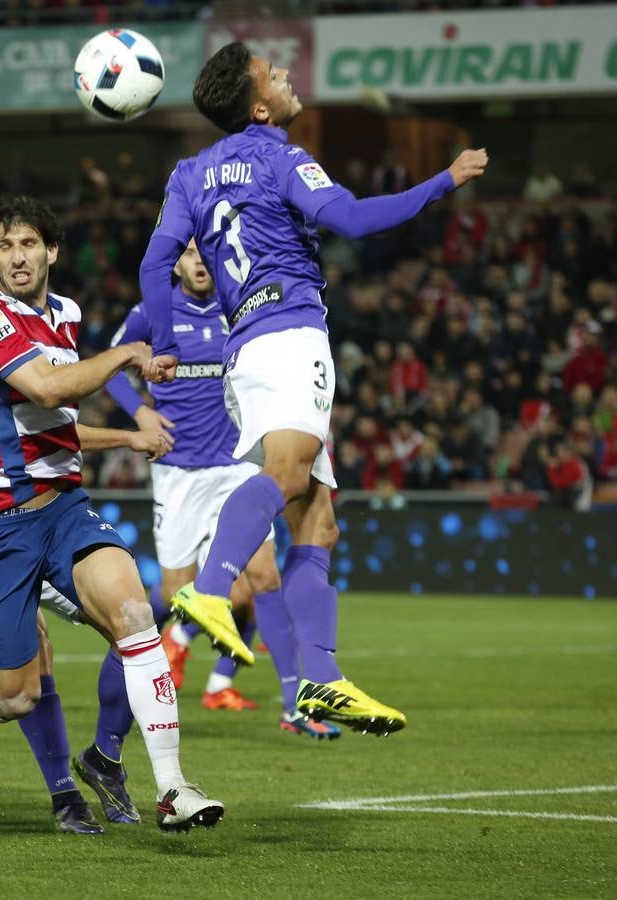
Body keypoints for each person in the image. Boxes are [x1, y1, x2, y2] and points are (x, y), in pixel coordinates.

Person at [138, 42, 488, 734]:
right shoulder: (276, 152)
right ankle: (211, 592)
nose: (289, 75)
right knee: (289, 474)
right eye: (274, 73)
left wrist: (169, 344)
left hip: (248, 345)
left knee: (319, 520)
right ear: (259, 106)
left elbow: (155, 263)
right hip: (289, 333)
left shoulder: (189, 173)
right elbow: (353, 219)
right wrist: (443, 180)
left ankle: (321, 682)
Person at [0, 196, 224, 832]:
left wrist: (124, 435)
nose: (17, 257)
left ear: (51, 252)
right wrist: (127, 354)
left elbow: (56, 423)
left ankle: (171, 786)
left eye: (29, 244)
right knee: (18, 692)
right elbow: (45, 388)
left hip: (63, 510)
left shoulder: (64, 315)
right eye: (5, 247)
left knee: (135, 614)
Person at [0, 250, 170, 830]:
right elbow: (44, 413)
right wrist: (125, 433)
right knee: (25, 676)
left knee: (132, 624)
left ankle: (105, 759)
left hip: (38, 516)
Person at [106, 239, 339, 738]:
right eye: (188, 253)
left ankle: (297, 706)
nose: (198, 262)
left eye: (204, 252)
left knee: (265, 578)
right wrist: (142, 412)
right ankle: (165, 658)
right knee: (173, 594)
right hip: (176, 471)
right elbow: (109, 369)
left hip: (236, 464)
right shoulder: (153, 311)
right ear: (177, 262)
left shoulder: (243, 306)